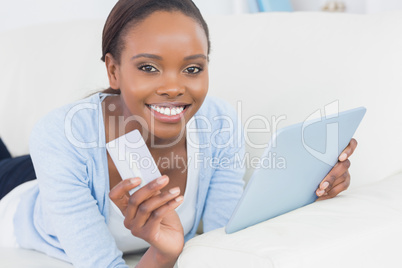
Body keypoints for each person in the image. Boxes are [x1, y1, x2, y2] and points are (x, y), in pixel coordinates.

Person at [0, 0, 357, 267]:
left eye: (192, 68)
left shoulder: (218, 122)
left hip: (62, 168)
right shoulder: (60, 135)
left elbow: (225, 236)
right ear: (113, 70)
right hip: (18, 189)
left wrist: (309, 191)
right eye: (149, 67)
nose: (173, 87)